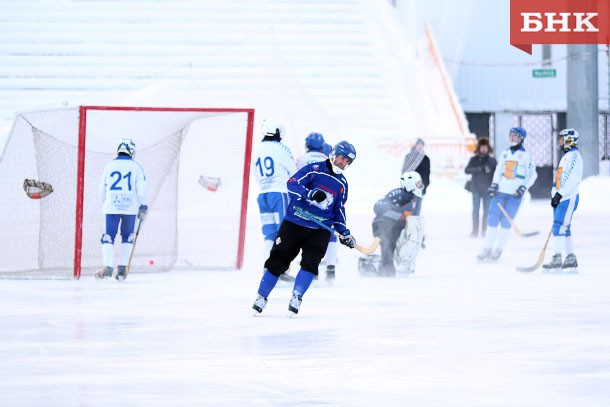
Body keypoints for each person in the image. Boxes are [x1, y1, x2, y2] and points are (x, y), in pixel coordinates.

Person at [252, 141, 357, 316]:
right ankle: (261, 297)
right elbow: (291, 183)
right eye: (342, 158)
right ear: (333, 154)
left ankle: (297, 297)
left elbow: (339, 210)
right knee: (277, 261)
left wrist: (344, 232)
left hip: (320, 230)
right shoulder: (313, 169)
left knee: (310, 264)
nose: (343, 163)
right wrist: (308, 193)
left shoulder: (342, 183)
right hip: (294, 223)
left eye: (348, 162)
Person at [477, 127, 537, 262]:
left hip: (514, 196)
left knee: (506, 223)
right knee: (492, 219)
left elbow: (532, 175)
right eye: (511, 135)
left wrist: (523, 188)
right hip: (500, 192)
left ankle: (498, 250)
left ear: (521, 138)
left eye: (515, 136)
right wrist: (494, 184)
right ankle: (487, 248)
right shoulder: (505, 154)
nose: (512, 138)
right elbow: (498, 171)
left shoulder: (526, 156)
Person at [96, 139, 149, 281]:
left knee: (108, 236)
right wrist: (143, 205)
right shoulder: (137, 167)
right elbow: (142, 190)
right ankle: (122, 268)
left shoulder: (109, 166)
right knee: (128, 236)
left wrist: (105, 202)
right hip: (130, 208)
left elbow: (102, 189)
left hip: (111, 207)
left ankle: (108, 267)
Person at [296, 132, 338, 282]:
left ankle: (311, 270)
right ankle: (331, 268)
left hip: (309, 198)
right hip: (327, 199)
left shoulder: (302, 159)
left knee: (309, 234)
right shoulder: (327, 159)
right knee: (331, 234)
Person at [252, 118, 297, 262]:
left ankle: (267, 267)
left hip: (262, 194)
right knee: (285, 232)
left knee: (269, 234)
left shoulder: (257, 149)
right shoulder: (281, 148)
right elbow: (293, 172)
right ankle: (278, 268)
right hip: (279, 193)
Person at [542, 128, 583, 272]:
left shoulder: (574, 157)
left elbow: (572, 178)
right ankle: (570, 257)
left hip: (568, 197)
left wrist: (560, 194)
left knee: (559, 226)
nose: (559, 141)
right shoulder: (566, 157)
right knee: (564, 227)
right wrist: (554, 194)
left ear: (569, 140)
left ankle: (557, 257)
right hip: (561, 197)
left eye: (562, 139)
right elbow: (559, 178)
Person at [369, 171, 424, 276]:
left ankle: (396, 268)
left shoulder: (416, 199)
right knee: (388, 243)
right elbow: (378, 206)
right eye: (417, 184)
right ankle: (386, 271)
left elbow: (414, 218)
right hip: (382, 224)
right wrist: (398, 215)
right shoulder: (399, 193)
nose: (420, 186)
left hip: (398, 226)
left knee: (402, 247)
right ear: (409, 184)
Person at [464, 137, 497, 237]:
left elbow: (497, 175)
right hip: (476, 189)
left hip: (488, 190)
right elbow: (467, 170)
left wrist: (495, 187)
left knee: (487, 211)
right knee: (475, 211)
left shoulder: (492, 161)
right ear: (479, 148)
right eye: (482, 147)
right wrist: (480, 169)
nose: (483, 149)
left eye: (485, 147)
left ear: (488, 148)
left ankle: (484, 230)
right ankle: (475, 230)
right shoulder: (473, 160)